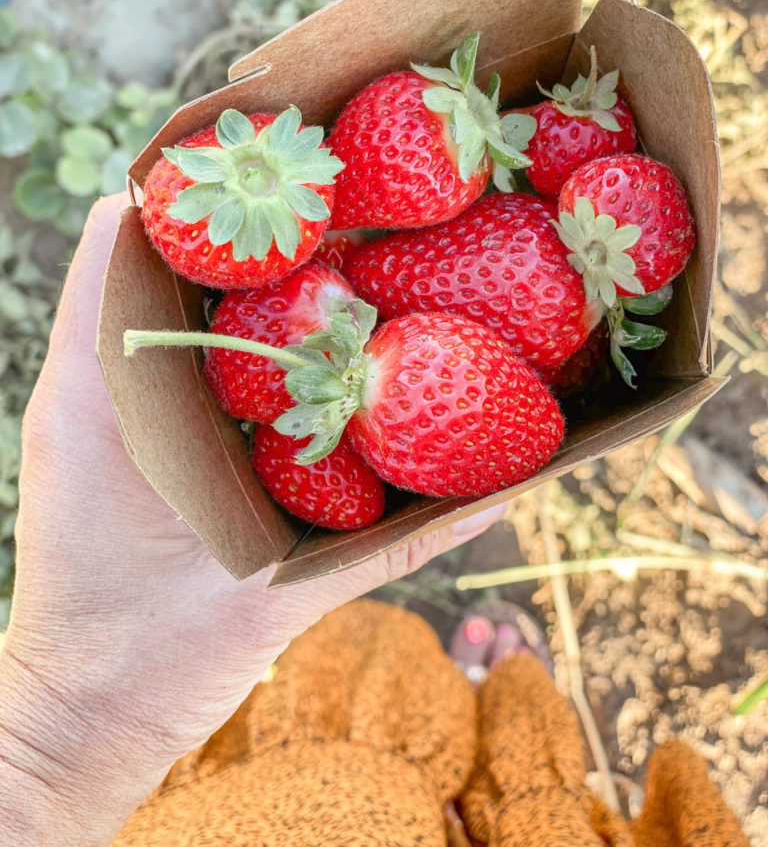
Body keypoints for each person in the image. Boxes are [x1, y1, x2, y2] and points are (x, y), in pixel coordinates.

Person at [0, 196, 749, 847]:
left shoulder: (380, 345)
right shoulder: (385, 373)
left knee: (346, 683)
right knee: (481, 761)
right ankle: (481, 695)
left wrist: (60, 738)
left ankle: (445, 692)